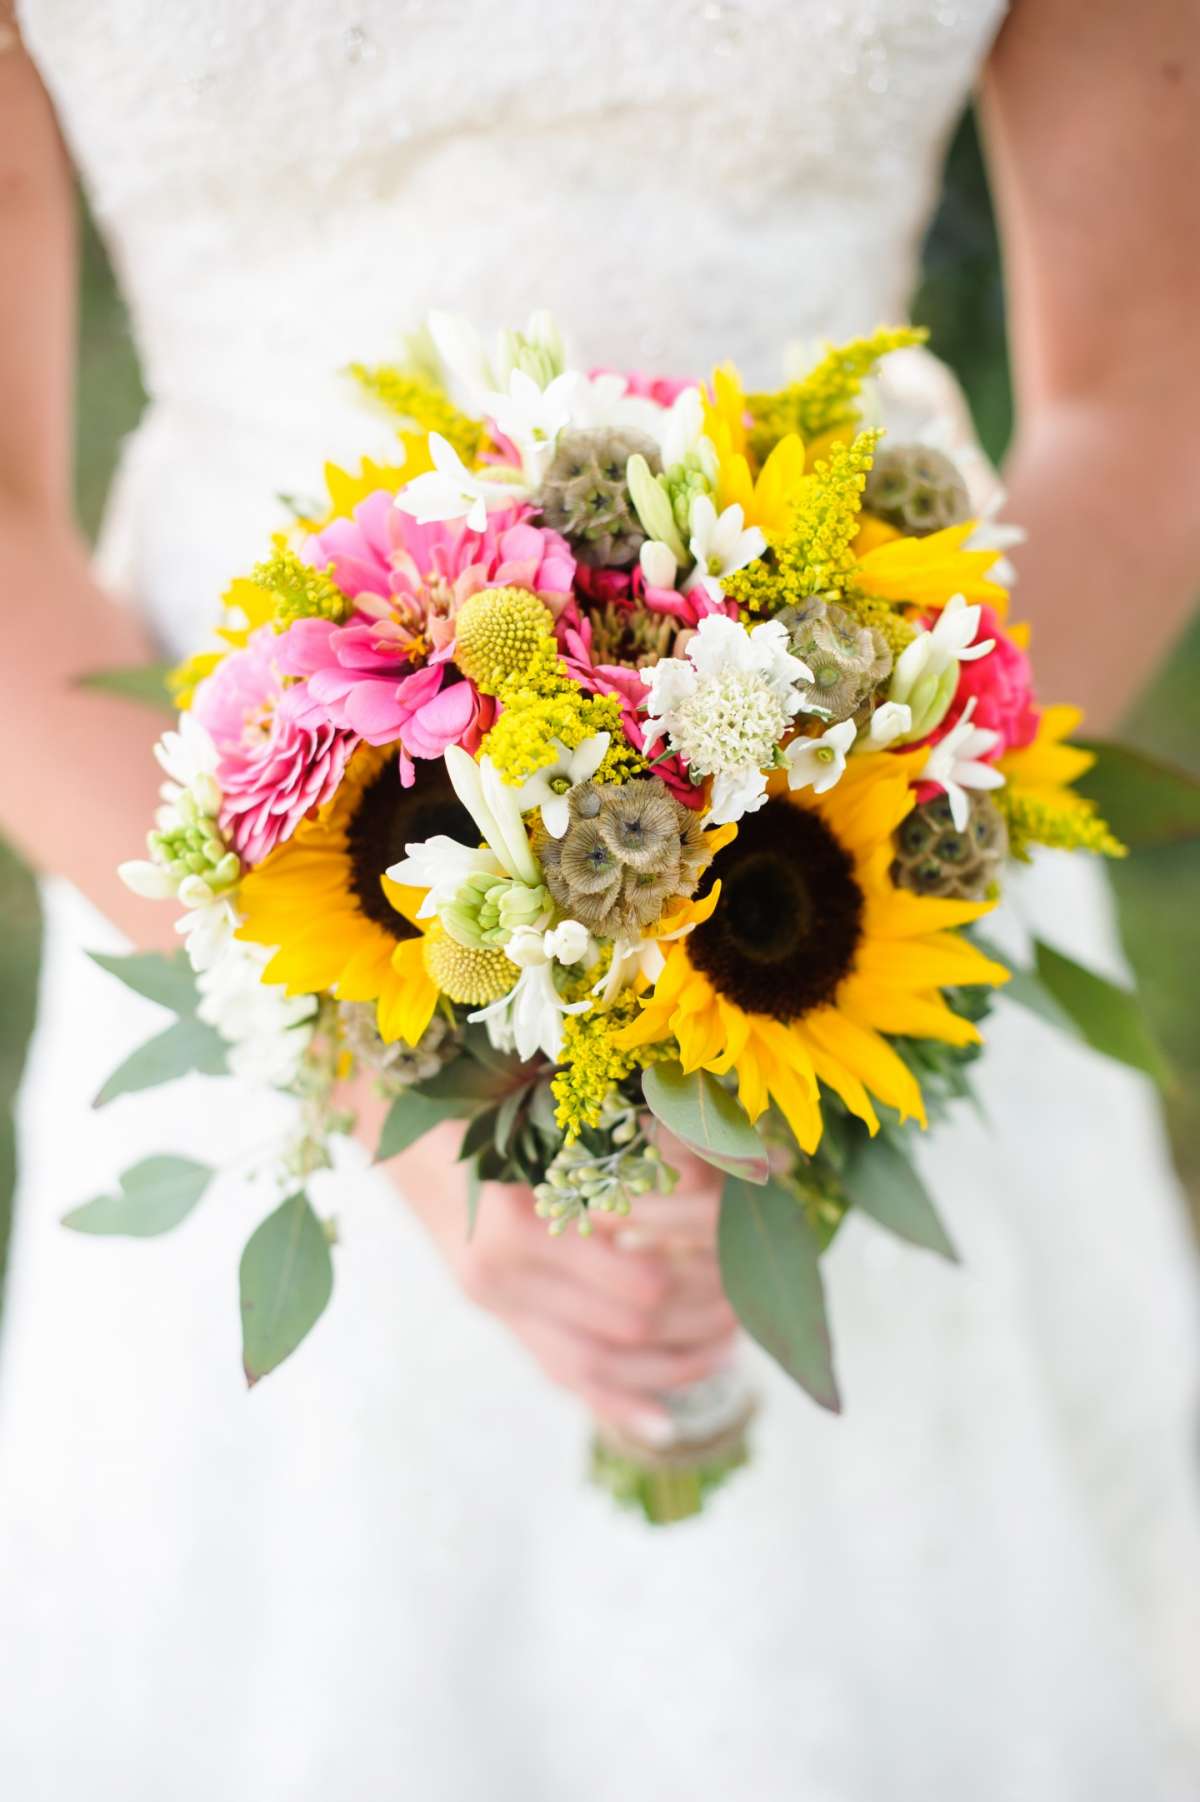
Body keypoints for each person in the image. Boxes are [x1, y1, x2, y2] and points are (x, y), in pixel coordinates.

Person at [1, 2, 1198, 1797]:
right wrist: (367, 1074)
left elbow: (1150, 380)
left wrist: (864, 868)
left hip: (866, 792)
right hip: (248, 864)